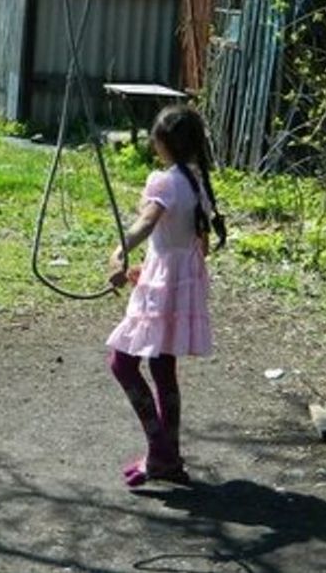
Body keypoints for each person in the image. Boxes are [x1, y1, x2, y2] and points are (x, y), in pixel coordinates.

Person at [104, 104, 227, 487]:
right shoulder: (197, 181)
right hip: (181, 283)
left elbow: (146, 222)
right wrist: (154, 270)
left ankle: (160, 450)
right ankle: (167, 459)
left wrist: (120, 252)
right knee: (162, 369)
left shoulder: (167, 181)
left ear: (164, 143)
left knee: (122, 363)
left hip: (166, 285)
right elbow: (198, 245)